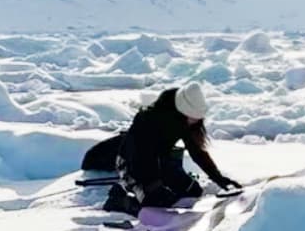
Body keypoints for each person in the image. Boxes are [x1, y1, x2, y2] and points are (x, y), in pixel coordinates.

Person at [85, 82, 241, 213]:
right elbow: (140, 156)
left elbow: (197, 151)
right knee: (155, 202)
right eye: (193, 117)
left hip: (162, 160)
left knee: (193, 191)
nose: (196, 122)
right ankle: (120, 198)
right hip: (134, 161)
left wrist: (218, 178)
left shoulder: (187, 120)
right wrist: (153, 184)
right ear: (183, 111)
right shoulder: (148, 119)